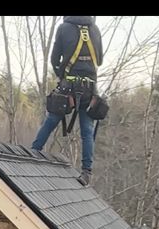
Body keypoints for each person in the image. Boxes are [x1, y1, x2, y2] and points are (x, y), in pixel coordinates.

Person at [32, 16, 105, 185]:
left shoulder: (64, 28)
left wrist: (62, 75)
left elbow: (54, 59)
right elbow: (99, 60)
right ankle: (86, 172)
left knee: (51, 121)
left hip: (68, 87)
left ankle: (34, 152)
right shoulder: (95, 29)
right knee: (87, 131)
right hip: (90, 89)